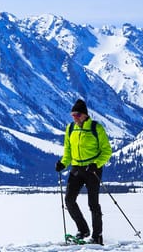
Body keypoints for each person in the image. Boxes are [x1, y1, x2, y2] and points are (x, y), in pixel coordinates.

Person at [55, 99, 112, 245]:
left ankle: (97, 235)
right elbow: (68, 150)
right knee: (69, 200)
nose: (75, 117)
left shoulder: (96, 128)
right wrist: (63, 163)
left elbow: (106, 151)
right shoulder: (70, 128)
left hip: (92, 170)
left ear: (85, 115)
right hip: (76, 169)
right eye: (73, 114)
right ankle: (83, 229)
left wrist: (96, 164)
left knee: (93, 204)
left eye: (77, 114)